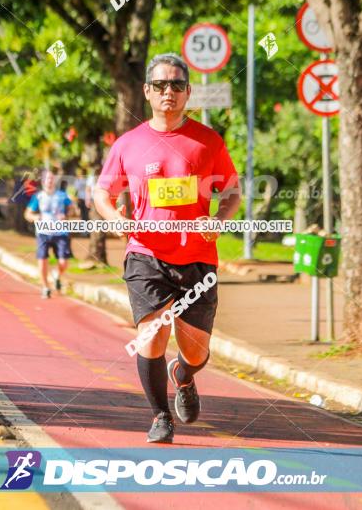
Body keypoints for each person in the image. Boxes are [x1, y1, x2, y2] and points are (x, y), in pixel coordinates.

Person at [93, 53, 242, 444]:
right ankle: (160, 416)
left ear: (188, 92)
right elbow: (102, 192)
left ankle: (185, 375)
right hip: (146, 254)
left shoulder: (208, 142)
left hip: (196, 257)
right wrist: (114, 218)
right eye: (160, 86)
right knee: (150, 335)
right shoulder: (129, 144)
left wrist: (219, 220)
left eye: (177, 85)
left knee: (196, 351)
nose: (168, 93)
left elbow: (231, 190)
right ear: (147, 91)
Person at [25, 169, 75, 299]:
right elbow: (28, 214)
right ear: (43, 182)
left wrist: (66, 215)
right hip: (43, 232)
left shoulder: (62, 195)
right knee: (42, 261)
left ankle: (57, 275)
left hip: (60, 232)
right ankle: (45, 287)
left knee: (63, 262)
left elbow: (72, 209)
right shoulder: (38, 197)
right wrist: (35, 218)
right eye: (47, 179)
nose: (50, 181)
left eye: (52, 179)